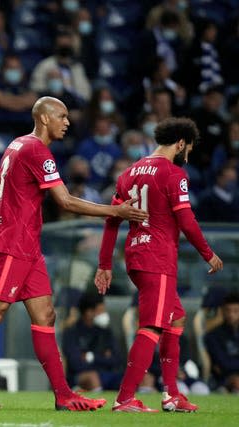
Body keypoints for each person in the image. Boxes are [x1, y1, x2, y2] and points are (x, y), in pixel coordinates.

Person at [0, 96, 148, 411]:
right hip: (15, 244)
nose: (67, 122)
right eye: (62, 116)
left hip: (28, 247)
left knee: (45, 315)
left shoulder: (17, 145)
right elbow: (66, 201)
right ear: (45, 118)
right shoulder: (38, 151)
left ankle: (63, 395)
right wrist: (114, 211)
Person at [94, 117, 224, 412]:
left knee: (176, 319)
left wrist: (105, 263)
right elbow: (186, 220)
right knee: (152, 326)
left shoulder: (128, 172)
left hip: (136, 256)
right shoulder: (174, 173)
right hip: (158, 258)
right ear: (180, 143)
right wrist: (208, 253)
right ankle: (125, 398)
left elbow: (112, 218)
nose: (187, 153)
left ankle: (171, 394)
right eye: (187, 148)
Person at [62, 292, 122, 392]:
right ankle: (98, 403)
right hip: (80, 377)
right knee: (92, 377)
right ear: (89, 312)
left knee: (127, 378)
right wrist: (104, 357)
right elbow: (76, 364)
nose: (104, 314)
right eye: (101, 311)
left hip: (107, 374)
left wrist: (91, 357)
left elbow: (116, 360)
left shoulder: (106, 331)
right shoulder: (72, 332)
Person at [205, 292, 239, 394]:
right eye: (228, 311)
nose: (231, 315)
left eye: (236, 311)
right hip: (222, 380)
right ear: (222, 311)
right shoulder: (213, 335)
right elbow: (223, 363)